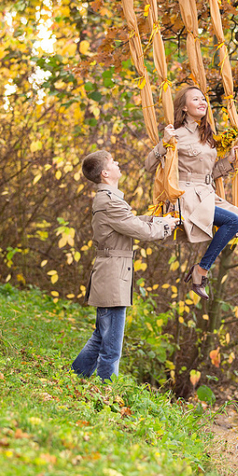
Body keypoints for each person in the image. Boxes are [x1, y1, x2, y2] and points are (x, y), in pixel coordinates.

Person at [144, 86, 238, 300]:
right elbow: (149, 166)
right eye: (196, 99)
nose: (202, 102)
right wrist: (163, 142)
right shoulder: (175, 134)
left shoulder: (206, 135)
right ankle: (201, 269)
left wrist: (229, 162)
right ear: (184, 108)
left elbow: (209, 173)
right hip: (187, 197)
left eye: (203, 99)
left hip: (207, 193)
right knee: (232, 221)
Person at [72, 150, 179, 381]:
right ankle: (107, 393)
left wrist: (161, 220)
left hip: (111, 273)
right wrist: (166, 227)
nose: (118, 163)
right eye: (113, 162)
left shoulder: (109, 200)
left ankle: (75, 377)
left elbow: (131, 222)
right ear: (105, 173)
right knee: (111, 346)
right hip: (112, 277)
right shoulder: (110, 202)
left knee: (101, 336)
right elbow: (140, 231)